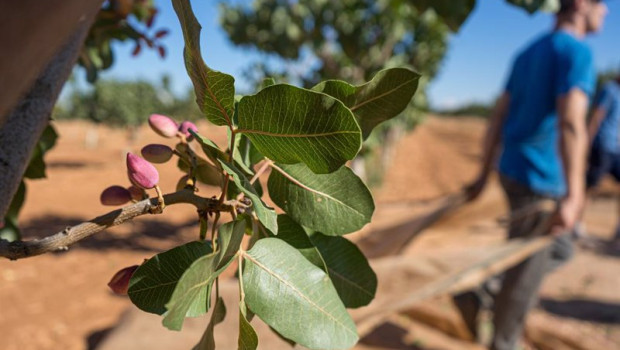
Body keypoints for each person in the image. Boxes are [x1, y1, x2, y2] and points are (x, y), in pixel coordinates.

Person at [458, 0, 608, 349]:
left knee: (560, 250)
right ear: (582, 5)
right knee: (525, 280)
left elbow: (498, 116)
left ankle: (483, 289)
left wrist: (484, 174)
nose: (608, 12)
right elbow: (572, 122)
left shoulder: (527, 53)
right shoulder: (578, 54)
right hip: (540, 180)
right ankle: (503, 342)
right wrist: (575, 194)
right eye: (603, 4)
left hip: (512, 170)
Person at [585, 73, 620, 242]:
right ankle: (574, 223)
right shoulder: (609, 89)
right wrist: (587, 142)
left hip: (615, 148)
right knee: (591, 185)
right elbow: (597, 115)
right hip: (602, 145)